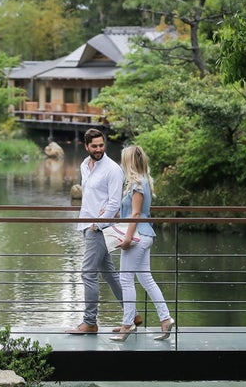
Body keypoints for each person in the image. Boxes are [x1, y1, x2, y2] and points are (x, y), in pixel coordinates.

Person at [110, 144, 175, 342]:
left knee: (126, 279)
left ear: (128, 162)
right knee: (146, 279)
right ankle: (165, 319)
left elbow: (136, 214)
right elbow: (133, 212)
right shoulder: (143, 181)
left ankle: (127, 324)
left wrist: (128, 237)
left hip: (138, 235)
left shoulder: (137, 183)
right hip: (145, 234)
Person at [67, 128, 127, 334]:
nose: (99, 149)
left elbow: (114, 202)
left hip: (99, 228)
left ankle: (90, 322)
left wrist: (98, 224)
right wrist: (88, 224)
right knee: (109, 273)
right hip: (87, 225)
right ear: (86, 146)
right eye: (95, 146)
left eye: (102, 145)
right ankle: (132, 313)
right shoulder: (85, 165)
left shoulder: (113, 169)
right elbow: (92, 198)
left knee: (88, 273)